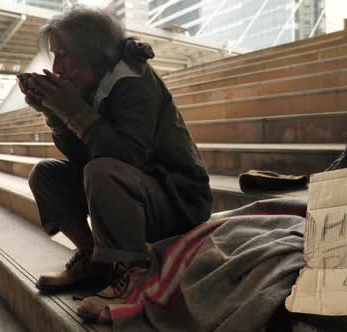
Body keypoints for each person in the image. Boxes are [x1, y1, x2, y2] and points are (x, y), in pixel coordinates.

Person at [19, 6, 213, 323]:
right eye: (55, 56)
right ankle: (96, 260)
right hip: (134, 191)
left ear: (94, 51)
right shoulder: (92, 84)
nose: (57, 67)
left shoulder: (133, 81)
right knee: (46, 175)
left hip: (178, 200)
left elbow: (125, 158)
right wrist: (54, 113)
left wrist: (72, 110)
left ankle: (134, 275)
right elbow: (83, 156)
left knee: (102, 171)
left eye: (65, 55)